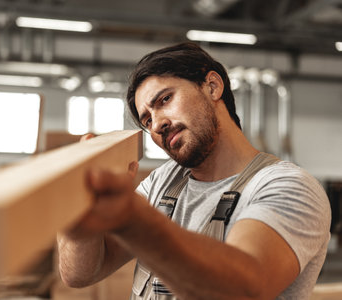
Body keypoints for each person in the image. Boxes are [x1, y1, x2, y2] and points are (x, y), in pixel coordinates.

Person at [57, 42, 330, 299]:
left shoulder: (288, 186)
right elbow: (79, 274)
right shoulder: (163, 183)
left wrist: (133, 218)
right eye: (147, 119)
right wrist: (77, 210)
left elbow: (244, 288)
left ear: (212, 86)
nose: (157, 125)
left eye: (164, 100)